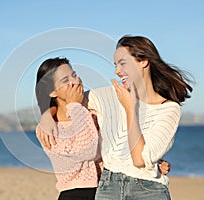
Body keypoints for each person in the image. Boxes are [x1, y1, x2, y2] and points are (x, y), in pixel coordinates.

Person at [37, 35, 192, 199]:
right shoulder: (107, 97)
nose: (117, 71)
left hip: (143, 189)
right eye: (115, 65)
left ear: (144, 61)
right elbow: (73, 109)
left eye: (122, 63)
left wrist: (152, 162)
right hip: (104, 188)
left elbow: (134, 156)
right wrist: (47, 115)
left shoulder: (168, 109)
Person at [35, 57, 101, 200]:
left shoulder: (94, 110)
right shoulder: (48, 129)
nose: (75, 81)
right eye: (65, 80)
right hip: (75, 194)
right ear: (52, 92)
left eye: (74, 74)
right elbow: (88, 151)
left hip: (108, 190)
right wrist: (74, 106)